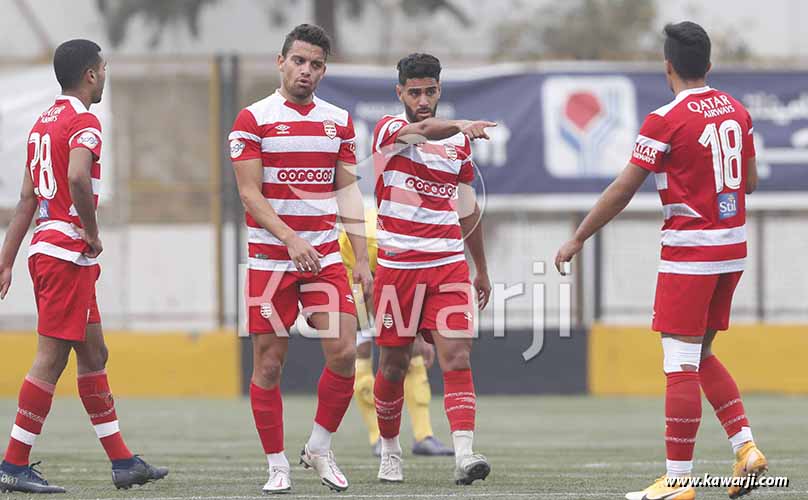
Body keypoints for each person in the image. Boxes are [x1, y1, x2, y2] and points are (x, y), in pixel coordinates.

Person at [555, 21, 766, 500]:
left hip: (690, 254)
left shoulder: (664, 119)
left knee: (679, 361)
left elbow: (623, 188)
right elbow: (748, 182)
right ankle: (745, 448)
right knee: (701, 352)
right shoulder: (737, 110)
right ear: (709, 65)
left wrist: (578, 237)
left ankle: (678, 482)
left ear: (667, 66)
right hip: (732, 250)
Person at [0, 39, 168, 494]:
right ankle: (13, 464)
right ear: (91, 74)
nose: (105, 75)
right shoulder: (83, 121)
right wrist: (91, 232)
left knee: (94, 354)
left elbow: (26, 201)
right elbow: (77, 176)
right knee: (50, 359)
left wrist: (6, 263)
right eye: (104, 68)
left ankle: (123, 462)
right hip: (65, 255)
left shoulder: (42, 123)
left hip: (49, 252)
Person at [229, 24, 371, 494]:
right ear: (281, 61)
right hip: (271, 262)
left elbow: (347, 191)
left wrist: (363, 259)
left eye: (315, 65)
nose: (306, 71)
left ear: (324, 70)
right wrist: (290, 239)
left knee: (345, 352)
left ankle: (318, 448)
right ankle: (277, 465)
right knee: (269, 364)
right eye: (298, 61)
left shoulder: (339, 121)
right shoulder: (253, 118)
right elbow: (249, 193)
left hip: (325, 257)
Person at [370, 52, 494, 485]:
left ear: (439, 90)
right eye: (414, 92)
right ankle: (389, 450)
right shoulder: (389, 130)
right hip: (398, 267)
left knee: (457, 357)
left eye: (430, 91)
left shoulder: (458, 146)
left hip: (447, 267)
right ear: (400, 92)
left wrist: (480, 268)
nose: (423, 100)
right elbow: (422, 131)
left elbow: (467, 207)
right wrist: (460, 125)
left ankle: (464, 455)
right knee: (392, 366)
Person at [338, 208, 454, 458]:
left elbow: (420, 284)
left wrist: (420, 335)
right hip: (354, 271)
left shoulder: (425, 241)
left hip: (392, 270)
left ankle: (424, 435)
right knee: (362, 350)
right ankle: (377, 436)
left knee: (410, 352)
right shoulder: (368, 240)